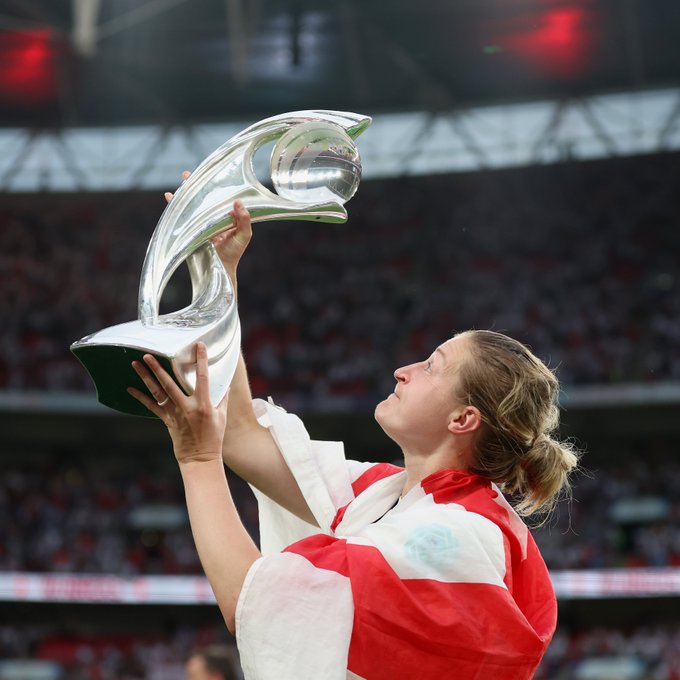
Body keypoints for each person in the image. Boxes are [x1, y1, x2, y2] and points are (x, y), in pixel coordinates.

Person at [128, 199, 580, 679]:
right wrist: (216, 276)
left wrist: (197, 458)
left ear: (463, 418)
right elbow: (242, 436)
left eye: (431, 367)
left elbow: (255, 604)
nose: (403, 371)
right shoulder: (388, 494)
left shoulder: (458, 533)